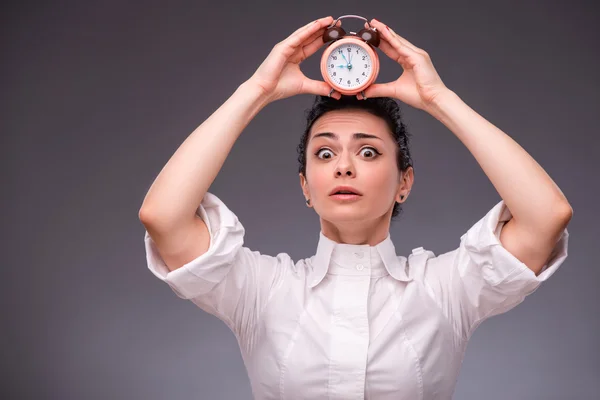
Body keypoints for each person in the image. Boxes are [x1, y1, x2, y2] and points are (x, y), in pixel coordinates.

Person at [139, 16, 572, 400]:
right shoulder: (260, 291)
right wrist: (257, 91)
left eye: (368, 153)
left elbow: (545, 217)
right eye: (325, 154)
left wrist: (440, 99)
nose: (344, 166)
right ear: (306, 187)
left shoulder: (445, 290)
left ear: (404, 182)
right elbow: (164, 217)